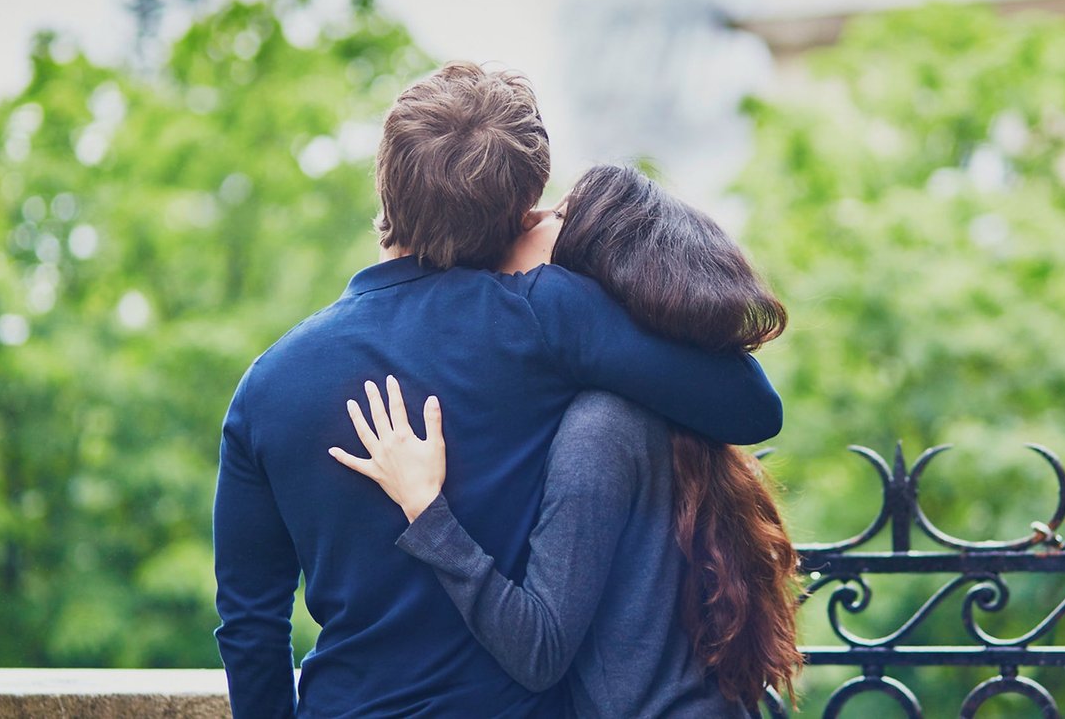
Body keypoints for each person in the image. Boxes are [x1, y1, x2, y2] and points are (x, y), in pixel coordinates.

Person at [212, 64, 784, 719]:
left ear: (385, 179)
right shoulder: (545, 317)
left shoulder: (269, 385)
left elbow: (251, 626)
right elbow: (750, 405)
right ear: (522, 208)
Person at [331, 164, 803, 718]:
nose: (531, 216)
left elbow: (539, 651)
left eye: (556, 212)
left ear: (578, 270)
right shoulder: (654, 405)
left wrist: (425, 509)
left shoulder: (603, 426)